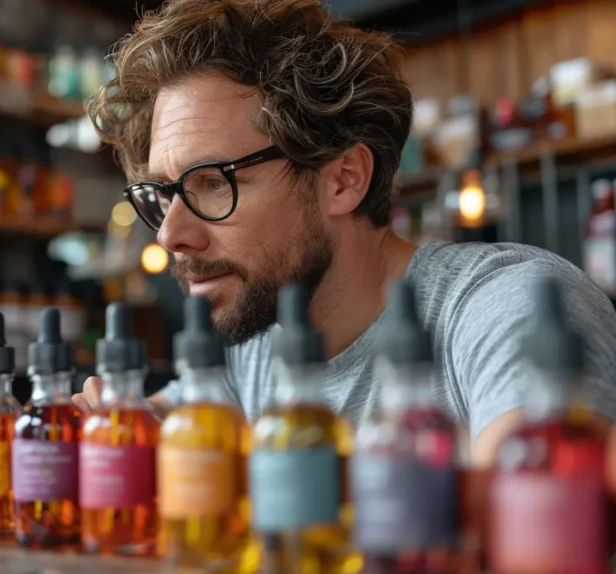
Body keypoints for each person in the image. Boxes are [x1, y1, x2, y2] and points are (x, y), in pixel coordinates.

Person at [71, 0, 616, 467]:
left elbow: (531, 520)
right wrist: (126, 420)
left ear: (343, 179)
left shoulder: (502, 310)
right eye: (163, 194)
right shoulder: (258, 331)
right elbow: (166, 413)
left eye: (213, 183)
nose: (169, 235)